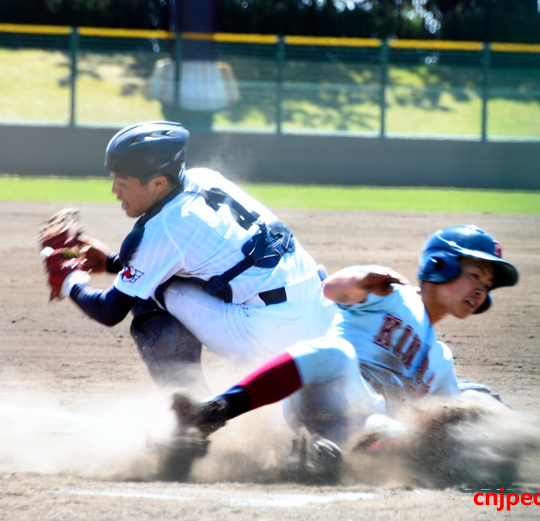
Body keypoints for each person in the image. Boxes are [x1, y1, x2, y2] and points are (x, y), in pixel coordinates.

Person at [164, 224, 519, 482]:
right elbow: (332, 289)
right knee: (336, 351)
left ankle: (321, 461)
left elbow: (444, 426)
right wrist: (363, 280)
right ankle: (212, 412)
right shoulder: (392, 294)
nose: (480, 290)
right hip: (328, 393)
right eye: (475, 275)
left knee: (410, 433)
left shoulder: (441, 361)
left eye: (486, 286)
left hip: (368, 430)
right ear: (441, 266)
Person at [47, 121, 336, 397]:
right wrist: (112, 262)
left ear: (158, 182)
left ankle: (191, 415)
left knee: (150, 294)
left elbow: (110, 311)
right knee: (156, 280)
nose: (114, 190)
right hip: (320, 309)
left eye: (122, 182)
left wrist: (70, 280)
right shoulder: (206, 178)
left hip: (275, 333)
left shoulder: (167, 229)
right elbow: (205, 252)